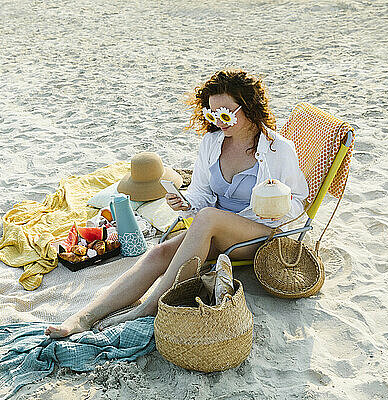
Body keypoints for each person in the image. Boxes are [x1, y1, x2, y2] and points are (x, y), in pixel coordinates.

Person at [45, 69, 309, 338]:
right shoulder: (213, 142)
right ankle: (84, 317)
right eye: (212, 114)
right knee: (158, 253)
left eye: (226, 114)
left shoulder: (278, 149)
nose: (219, 122)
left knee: (206, 217)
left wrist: (277, 206)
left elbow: (299, 202)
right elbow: (201, 194)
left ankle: (148, 307)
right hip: (215, 229)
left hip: (259, 234)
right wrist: (185, 202)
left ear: (248, 106)